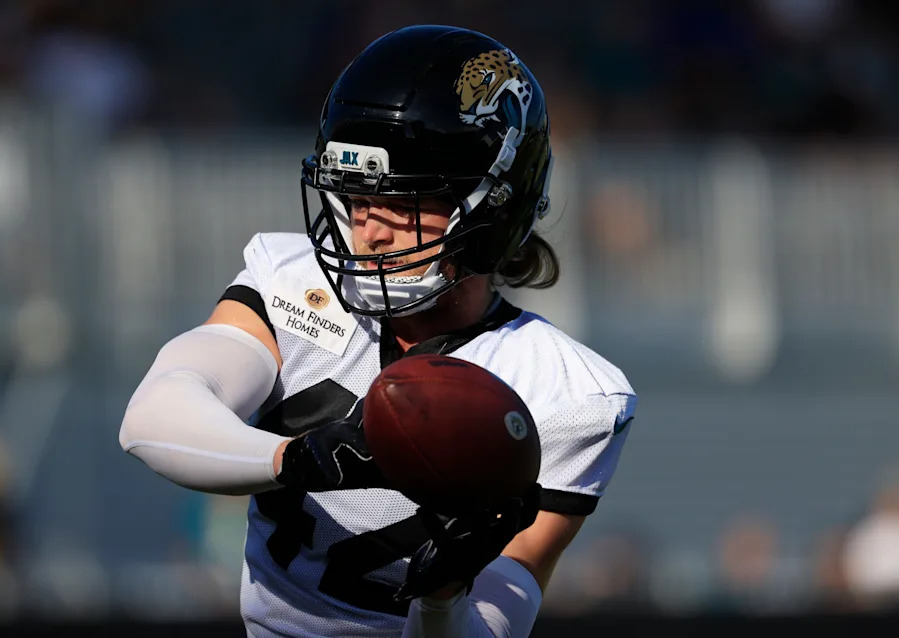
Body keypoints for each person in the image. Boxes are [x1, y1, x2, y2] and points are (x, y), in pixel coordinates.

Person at [119, 25, 637, 637]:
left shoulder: (570, 394)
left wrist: (444, 594)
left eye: (404, 201)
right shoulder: (292, 284)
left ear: (493, 206)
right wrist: (299, 459)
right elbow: (153, 417)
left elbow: (494, 623)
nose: (370, 230)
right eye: (356, 195)